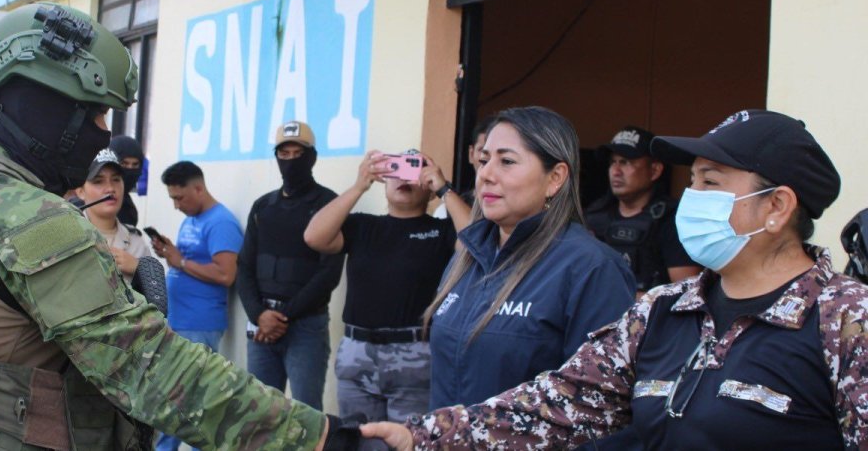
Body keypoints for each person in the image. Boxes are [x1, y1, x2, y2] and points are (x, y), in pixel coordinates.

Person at [0, 4, 355, 450]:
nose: (105, 130)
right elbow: (153, 371)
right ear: (46, 109)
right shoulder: (30, 218)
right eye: (97, 112)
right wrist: (322, 439)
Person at [362, 109, 868, 450]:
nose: (692, 197)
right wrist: (425, 436)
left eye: (711, 182)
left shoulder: (845, 319)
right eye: (692, 181)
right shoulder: (664, 310)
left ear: (776, 206)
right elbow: (559, 404)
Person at [419, 108, 635, 426]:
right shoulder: (469, 255)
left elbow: (597, 407)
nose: (486, 174)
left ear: (555, 178)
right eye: (484, 160)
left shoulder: (591, 268)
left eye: (507, 161)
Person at [305, 148, 457, 423]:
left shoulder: (442, 231)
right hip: (357, 352)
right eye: (396, 169)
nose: (404, 178)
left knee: (409, 439)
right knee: (358, 438)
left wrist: (444, 189)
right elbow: (314, 236)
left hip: (415, 356)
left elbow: (476, 244)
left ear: (429, 187)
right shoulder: (363, 225)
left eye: (414, 169)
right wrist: (359, 186)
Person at [236, 121, 344, 410]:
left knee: (306, 415)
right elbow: (244, 266)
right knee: (260, 413)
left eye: (298, 154)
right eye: (284, 154)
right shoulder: (263, 206)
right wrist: (258, 314)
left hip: (305, 327)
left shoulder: (329, 204)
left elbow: (329, 274)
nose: (291, 161)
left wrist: (281, 317)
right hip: (262, 326)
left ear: (312, 157)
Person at [152, 160, 245, 451]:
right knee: (171, 398)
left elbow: (226, 274)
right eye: (172, 198)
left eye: (180, 198)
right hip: (178, 320)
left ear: (199, 189)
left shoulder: (221, 223)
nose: (176, 206)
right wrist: (171, 254)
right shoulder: (191, 219)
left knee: (193, 401)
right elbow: (188, 262)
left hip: (199, 323)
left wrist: (180, 261)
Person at [585, 126, 701, 293]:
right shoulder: (594, 216)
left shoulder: (672, 219)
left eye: (625, 162)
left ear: (654, 170)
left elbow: (686, 294)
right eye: (612, 162)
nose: (615, 171)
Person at [76, 147, 153, 283]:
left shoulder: (136, 242)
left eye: (116, 179)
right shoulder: (67, 236)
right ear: (80, 191)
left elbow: (155, 293)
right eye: (98, 181)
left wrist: (139, 270)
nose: (110, 188)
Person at [109, 134, 145, 227]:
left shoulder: (128, 207)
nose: (130, 169)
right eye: (124, 164)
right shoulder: (96, 200)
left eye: (135, 165)